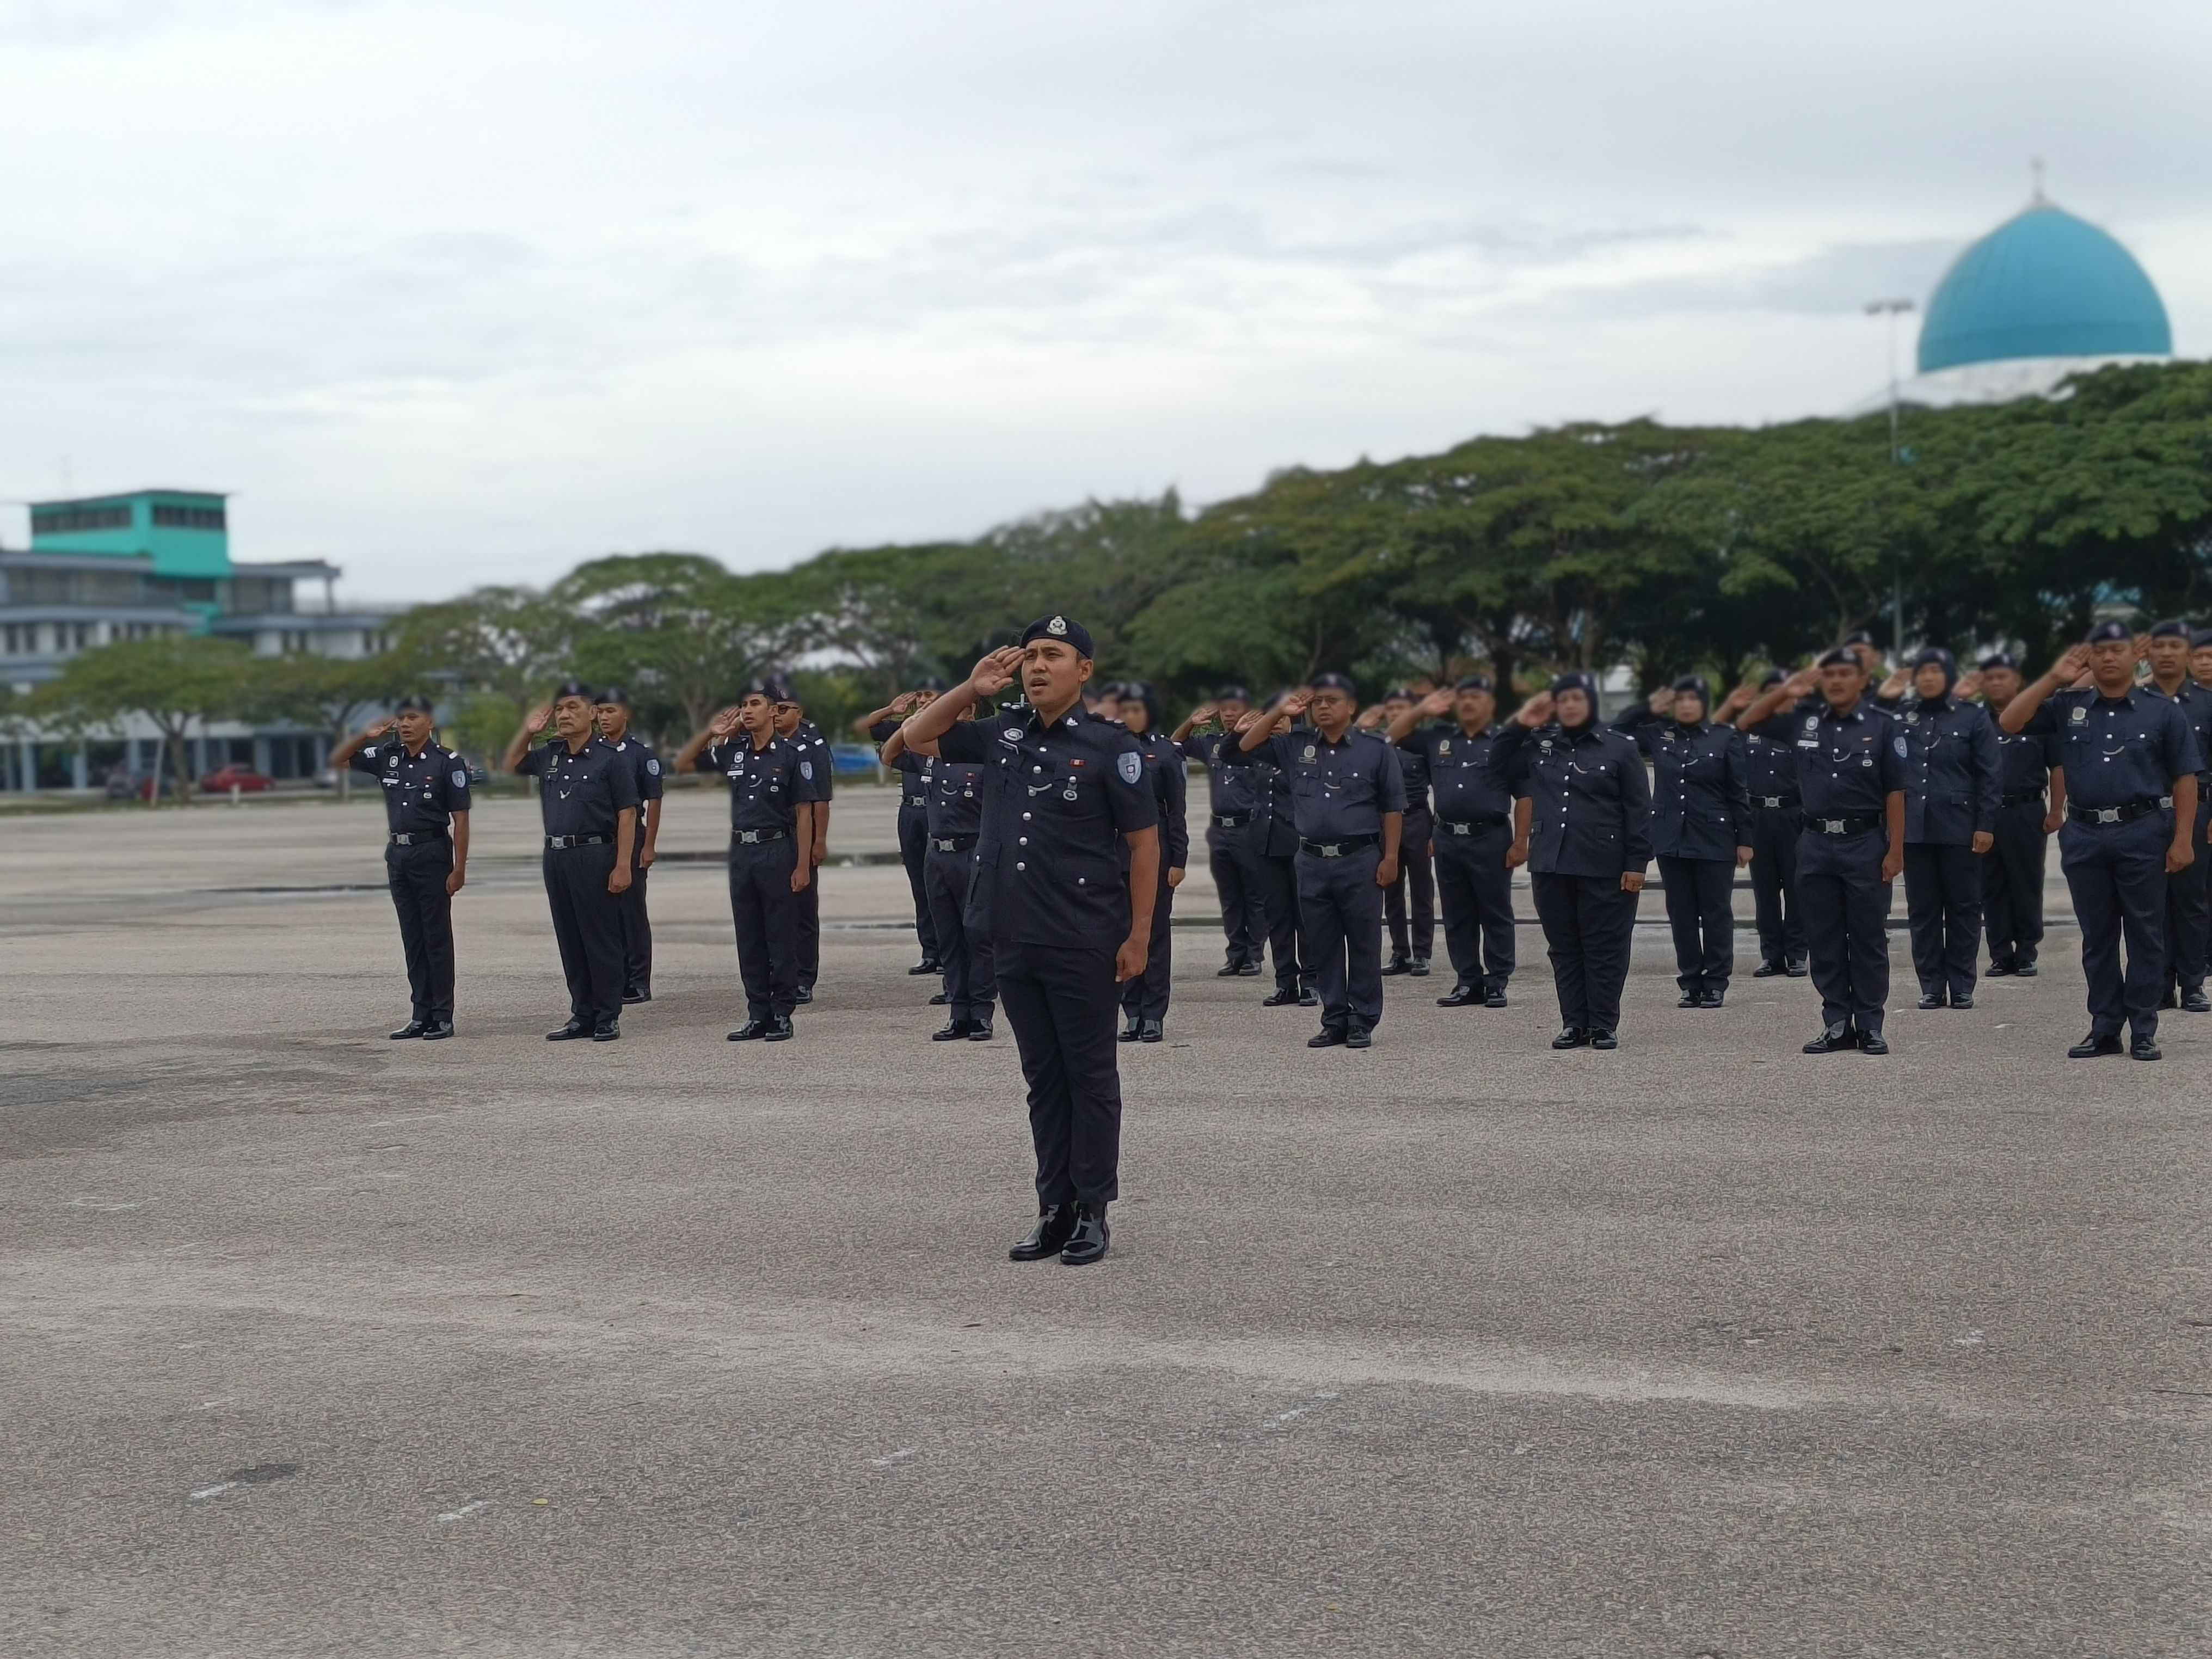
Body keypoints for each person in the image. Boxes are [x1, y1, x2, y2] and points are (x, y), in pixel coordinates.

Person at [901, 617, 1160, 1267]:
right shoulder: (1001, 731)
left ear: (1084, 670)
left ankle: (1092, 1209)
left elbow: (1143, 847)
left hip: (1082, 935)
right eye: (1030, 657)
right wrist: (971, 687)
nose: (1037, 667)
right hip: (1012, 933)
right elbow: (915, 736)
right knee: (1042, 1080)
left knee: (1089, 1077)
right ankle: (1053, 1207)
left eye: (1053, 655)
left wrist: (1138, 936)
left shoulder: (1110, 746)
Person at [2000, 623, 2201, 1059]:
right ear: (2088, 658)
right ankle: (2105, 1026)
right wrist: (2054, 677)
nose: (2109, 658)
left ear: (2135, 656)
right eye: (2100, 651)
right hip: (2086, 834)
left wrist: (2183, 839)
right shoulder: (2068, 705)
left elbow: (2185, 778)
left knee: (2145, 934)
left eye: (2118, 650)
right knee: (2097, 937)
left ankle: (2143, 1028)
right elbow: (2010, 721)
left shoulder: (2162, 712)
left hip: (2143, 831)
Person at [1737, 650, 1906, 1054]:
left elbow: (1896, 793)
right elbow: (1747, 721)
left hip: (1865, 843)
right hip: (1814, 844)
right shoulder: (1803, 720)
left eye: (1846, 674)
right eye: (1829, 674)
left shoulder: (1883, 726)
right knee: (1824, 937)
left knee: (1867, 938)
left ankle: (1870, 1024)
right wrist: (1787, 690)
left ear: (1862, 680)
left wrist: (1896, 850)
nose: (1837, 681)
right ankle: (1836, 1022)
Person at [1225, 674, 1404, 1049]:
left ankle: (1362, 1019)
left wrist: (1390, 857)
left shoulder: (1375, 749)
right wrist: (1280, 710)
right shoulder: (1295, 744)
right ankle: (1334, 1017)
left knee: (1364, 943)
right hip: (1312, 861)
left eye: (1332, 700)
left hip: (1359, 859)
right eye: (1317, 701)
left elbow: (1392, 807)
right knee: (1323, 943)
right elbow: (1244, 745)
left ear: (1351, 706)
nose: (1323, 706)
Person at [1491, 673, 1651, 1049]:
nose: (1570, 706)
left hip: (1604, 863)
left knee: (1605, 947)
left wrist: (1637, 864)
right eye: (1562, 700)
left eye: (1577, 699)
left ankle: (1603, 1023)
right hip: (1551, 861)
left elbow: (1639, 810)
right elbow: (1497, 760)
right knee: (1564, 947)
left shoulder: (1619, 748)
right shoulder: (1539, 744)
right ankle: (1574, 1022)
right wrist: (1522, 721)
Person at [674, 681, 824, 1042]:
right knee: (749, 936)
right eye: (743, 705)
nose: (747, 710)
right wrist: (711, 733)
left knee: (780, 934)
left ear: (773, 711)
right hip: (743, 852)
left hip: (778, 849)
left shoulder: (793, 754)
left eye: (755, 703)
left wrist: (802, 865)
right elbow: (682, 763)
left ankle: (782, 1013)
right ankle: (757, 1013)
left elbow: (804, 813)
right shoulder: (734, 752)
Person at [504, 681, 639, 1042]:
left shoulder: (611, 759)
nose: (564, 715)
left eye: (573, 708)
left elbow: (627, 814)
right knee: (570, 937)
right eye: (560, 709)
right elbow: (511, 763)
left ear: (592, 713)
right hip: (557, 856)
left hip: (594, 854)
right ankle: (582, 1013)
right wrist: (528, 732)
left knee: (600, 938)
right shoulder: (550, 755)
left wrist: (623, 865)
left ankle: (607, 1015)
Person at [333, 695, 470, 1040]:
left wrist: (459, 869)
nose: (405, 724)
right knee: (413, 937)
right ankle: (420, 1014)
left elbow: (461, 820)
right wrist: (364, 735)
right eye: (401, 718)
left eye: (413, 718)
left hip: (432, 853)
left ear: (430, 723)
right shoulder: (387, 756)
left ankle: (442, 1015)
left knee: (436, 936)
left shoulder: (447, 763)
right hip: (399, 854)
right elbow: (339, 759)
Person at [1612, 675, 1752, 1008]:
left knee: (1716, 912)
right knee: (1681, 913)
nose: (1687, 705)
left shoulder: (1725, 737)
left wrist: (1745, 839)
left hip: (1714, 837)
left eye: (1693, 699)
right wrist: (1648, 707)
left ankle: (1716, 981)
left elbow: (1738, 792)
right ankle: (1690, 981)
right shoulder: (1659, 734)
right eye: (1680, 700)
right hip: (1670, 836)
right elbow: (1615, 733)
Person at [1388, 676, 1526, 1009]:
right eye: (1463, 697)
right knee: (1456, 913)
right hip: (1448, 837)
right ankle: (1467, 981)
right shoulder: (1438, 736)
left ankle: (1497, 981)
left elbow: (1525, 795)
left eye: (1476, 696)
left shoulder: (1505, 741)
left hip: (1490, 837)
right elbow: (1393, 734)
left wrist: (1521, 841)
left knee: (1495, 912)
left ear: (1490, 703)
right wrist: (1422, 709)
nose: (1468, 703)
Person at [1888, 649, 2001, 1010]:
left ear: (1950, 676)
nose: (1928, 678)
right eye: (1922, 672)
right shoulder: (1901, 717)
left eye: (1936, 671)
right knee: (1922, 910)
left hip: (1960, 828)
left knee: (1963, 908)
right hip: (1915, 828)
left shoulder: (1973, 717)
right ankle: (1932, 985)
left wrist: (1985, 825)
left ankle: (1962, 983)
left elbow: (1990, 775)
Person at [883, 705, 996, 1041]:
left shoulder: (982, 754)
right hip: (937, 855)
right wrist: (910, 725)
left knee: (977, 936)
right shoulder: (928, 755)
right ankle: (958, 1012)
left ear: (970, 715)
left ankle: (981, 1013)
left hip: (972, 852)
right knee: (949, 937)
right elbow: (890, 756)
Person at [1975, 652, 2065, 979]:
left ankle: (2027, 952)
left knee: (2027, 883)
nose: (1996, 683)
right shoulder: (1977, 721)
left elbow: (2057, 767)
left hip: (2026, 811)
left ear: (2018, 681)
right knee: (1991, 886)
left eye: (2003, 677)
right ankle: (2000, 954)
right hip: (1986, 815)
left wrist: (2056, 810)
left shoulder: (2037, 718)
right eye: (1990, 678)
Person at [2141, 620, 2212, 1012]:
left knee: (2191, 899)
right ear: (2147, 653)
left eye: (2176, 646)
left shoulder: (2206, 702)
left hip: (2198, 809)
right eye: (2160, 646)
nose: (2167, 654)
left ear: (2187, 653)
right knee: (2150, 903)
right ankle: (2160, 984)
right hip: (2145, 813)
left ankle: (2193, 983)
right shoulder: (2134, 701)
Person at [1720, 668, 1809, 979]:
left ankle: (1797, 953)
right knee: (1765, 891)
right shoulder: (1747, 732)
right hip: (1757, 817)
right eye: (1770, 693)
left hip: (1793, 816)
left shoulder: (1802, 731)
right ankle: (1771, 955)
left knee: (1797, 889)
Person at [1172, 686, 1266, 976]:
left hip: (1248, 828)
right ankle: (1235, 953)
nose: (1228, 714)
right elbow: (1174, 745)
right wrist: (1190, 722)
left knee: (1254, 895)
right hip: (1220, 830)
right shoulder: (1211, 743)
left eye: (1235, 708)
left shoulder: (1257, 744)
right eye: (1224, 709)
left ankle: (1254, 954)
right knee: (1229, 896)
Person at [1116, 683, 1187, 1042]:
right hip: (1117, 855)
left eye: (1137, 709)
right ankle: (1131, 1011)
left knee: (1155, 934)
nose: (1130, 716)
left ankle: (1154, 1013)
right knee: (1124, 932)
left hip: (1156, 856)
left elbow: (1176, 810)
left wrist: (1179, 859)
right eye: (1125, 709)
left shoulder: (1166, 753)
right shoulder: (1111, 749)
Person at [860, 681, 944, 976]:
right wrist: (892, 711)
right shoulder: (905, 729)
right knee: (919, 885)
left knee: (943, 885)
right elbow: (864, 727)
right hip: (911, 811)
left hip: (938, 810)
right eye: (919, 695)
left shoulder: (953, 730)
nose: (922, 700)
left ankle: (951, 953)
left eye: (929, 695)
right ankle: (931, 952)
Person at [1248, 689, 1317, 1010]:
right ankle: (1285, 981)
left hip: (1297, 843)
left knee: (1305, 917)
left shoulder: (1304, 749)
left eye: (1282, 717)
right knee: (1278, 917)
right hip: (1267, 843)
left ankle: (1312, 981)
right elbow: (1235, 750)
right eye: (1271, 716)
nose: (1276, 722)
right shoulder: (1263, 751)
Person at [594, 687, 664, 1005]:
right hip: (601, 840)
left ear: (626, 714)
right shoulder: (593, 752)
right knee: (606, 913)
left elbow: (654, 801)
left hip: (632, 838)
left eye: (611, 711)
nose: (604, 717)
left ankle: (638, 981)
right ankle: (616, 977)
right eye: (600, 712)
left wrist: (649, 845)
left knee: (632, 912)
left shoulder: (640, 754)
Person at [1366, 687, 1436, 977]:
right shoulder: (1377, 743)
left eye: (1402, 708)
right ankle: (1400, 952)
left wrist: (1435, 830)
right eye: (1391, 708)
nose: (1396, 713)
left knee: (1422, 891)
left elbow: (1441, 785)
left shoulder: (1425, 742)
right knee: (1391, 890)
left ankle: (1422, 953)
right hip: (1385, 823)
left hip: (1418, 818)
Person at [770, 682, 834, 1004]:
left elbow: (820, 799)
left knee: (803, 911)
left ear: (799, 712)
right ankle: (777, 973)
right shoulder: (761, 744)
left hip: (801, 835)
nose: (778, 716)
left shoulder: (812, 746)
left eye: (784, 710)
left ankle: (804, 977)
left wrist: (819, 842)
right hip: (771, 838)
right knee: (774, 910)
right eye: (775, 709)